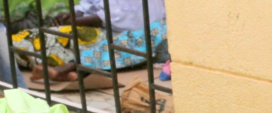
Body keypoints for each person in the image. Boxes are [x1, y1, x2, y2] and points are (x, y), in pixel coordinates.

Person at [23, 0, 167, 82]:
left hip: (145, 27)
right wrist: (69, 16)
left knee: (121, 45)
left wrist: (75, 21)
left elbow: (120, 16)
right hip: (111, 28)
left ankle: (68, 68)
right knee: (45, 36)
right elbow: (88, 6)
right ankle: (73, 73)